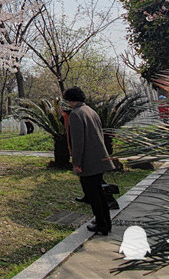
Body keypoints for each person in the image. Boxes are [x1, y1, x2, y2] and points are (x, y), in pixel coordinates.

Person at [63, 86, 116, 235]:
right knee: (99, 193)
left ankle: (101, 224)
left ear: (70, 99)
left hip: (88, 161)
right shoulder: (90, 111)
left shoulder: (76, 114)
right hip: (99, 158)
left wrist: (77, 163)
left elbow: (78, 142)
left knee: (93, 195)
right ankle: (105, 222)